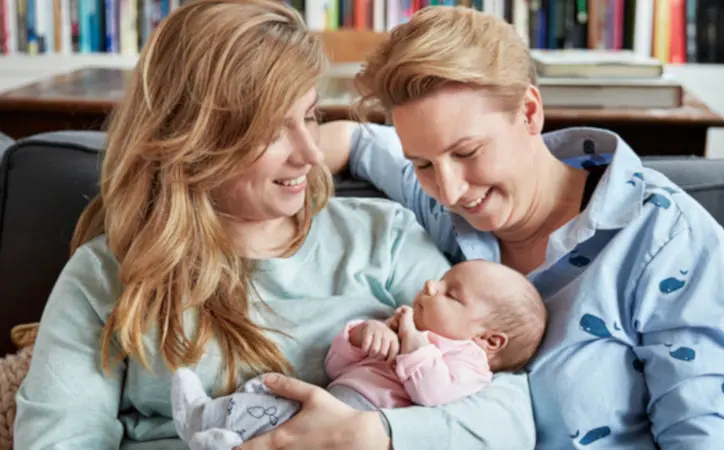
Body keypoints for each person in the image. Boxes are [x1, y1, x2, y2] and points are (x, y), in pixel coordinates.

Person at [12, 2, 537, 449]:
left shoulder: (386, 237)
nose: (311, 154)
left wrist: (366, 433)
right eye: (271, 130)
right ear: (194, 140)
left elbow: (508, 414)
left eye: (309, 117)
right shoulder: (108, 274)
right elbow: (61, 438)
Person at [315, 5, 724, 450]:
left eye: (467, 152)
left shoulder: (664, 238)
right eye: (422, 163)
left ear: (530, 112)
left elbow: (704, 434)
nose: (450, 190)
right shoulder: (445, 210)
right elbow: (355, 140)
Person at [170, 259, 546, 449]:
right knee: (265, 396)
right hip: (334, 396)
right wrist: (363, 336)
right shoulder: (401, 325)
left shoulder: (469, 361)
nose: (431, 284)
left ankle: (214, 434)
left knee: (282, 424)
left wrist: (413, 339)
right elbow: (336, 369)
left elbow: (430, 393)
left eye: (450, 293)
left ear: (489, 340)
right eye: (441, 278)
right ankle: (205, 419)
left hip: (362, 418)